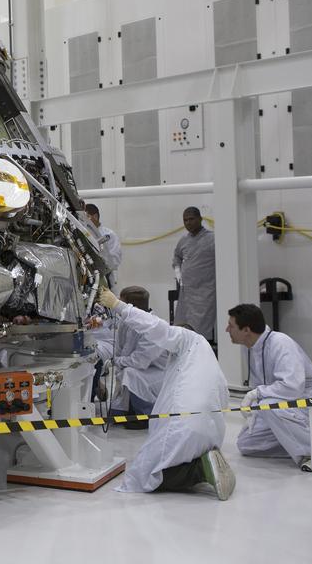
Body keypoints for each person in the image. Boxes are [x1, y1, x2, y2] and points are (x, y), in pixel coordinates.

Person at [98, 287, 235, 500]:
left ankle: (199, 470)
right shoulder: (204, 355)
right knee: (167, 454)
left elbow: (156, 328)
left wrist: (119, 306)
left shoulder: (186, 337)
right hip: (211, 432)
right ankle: (203, 460)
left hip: (186, 425)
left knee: (143, 475)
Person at [227, 303, 312, 472]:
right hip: (287, 399)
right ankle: (304, 443)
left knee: (271, 405)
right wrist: (255, 410)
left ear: (246, 330)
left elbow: (293, 387)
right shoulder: (250, 348)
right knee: (247, 443)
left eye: (231, 326)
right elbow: (264, 384)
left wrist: (257, 394)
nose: (227, 330)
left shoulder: (280, 343)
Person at [91, 286, 169, 427]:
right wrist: (98, 322)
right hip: (135, 369)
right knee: (126, 377)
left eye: (122, 302)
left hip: (154, 373)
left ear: (133, 307)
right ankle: (128, 410)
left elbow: (139, 361)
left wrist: (116, 361)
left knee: (130, 373)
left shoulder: (153, 328)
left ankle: (145, 415)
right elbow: (120, 345)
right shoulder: (127, 322)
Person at [173, 206, 216, 343]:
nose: (188, 223)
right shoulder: (184, 241)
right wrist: (178, 272)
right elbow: (177, 257)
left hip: (206, 291)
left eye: (191, 219)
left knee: (201, 331)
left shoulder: (213, 239)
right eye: (185, 220)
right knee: (183, 328)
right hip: (187, 292)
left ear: (200, 219)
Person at [84, 204, 122, 288]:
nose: (84, 220)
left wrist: (101, 261)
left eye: (86, 216)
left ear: (95, 216)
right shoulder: (82, 233)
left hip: (105, 277)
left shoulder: (109, 235)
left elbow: (115, 261)